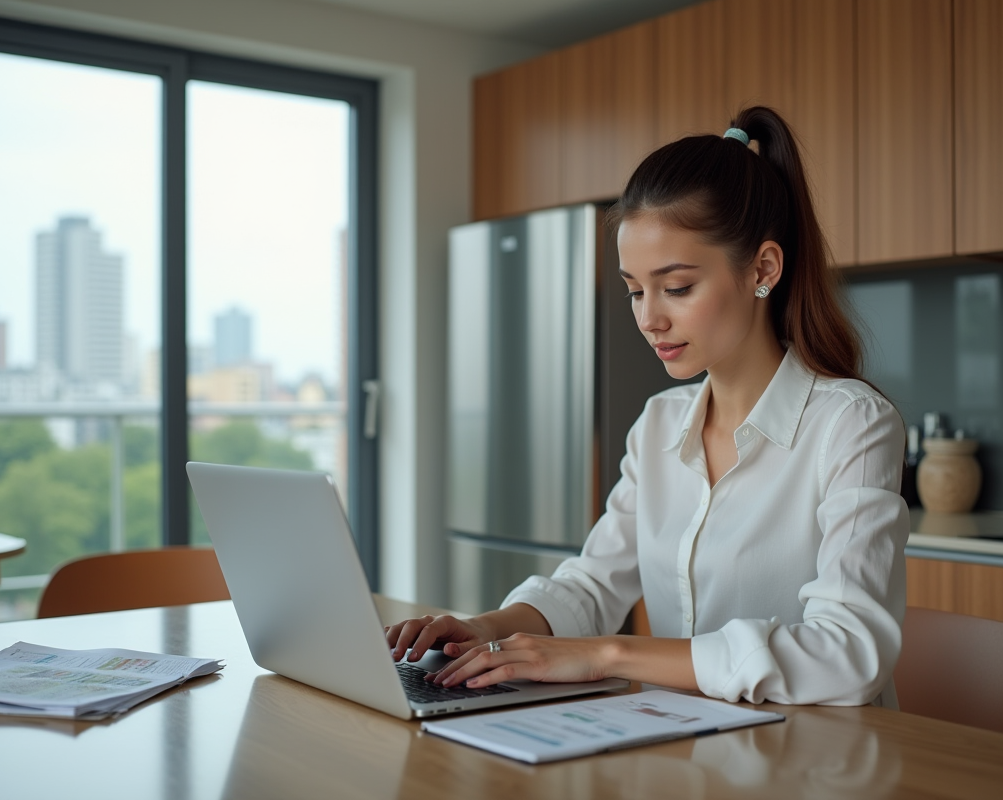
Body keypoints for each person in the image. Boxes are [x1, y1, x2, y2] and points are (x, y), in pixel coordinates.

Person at [386, 106, 910, 708]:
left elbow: (848, 654)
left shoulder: (852, 424)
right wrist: (489, 628)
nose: (648, 318)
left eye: (677, 287)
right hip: (679, 744)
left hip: (817, 762)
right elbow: (591, 585)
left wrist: (608, 654)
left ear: (762, 269)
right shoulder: (659, 422)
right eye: (635, 289)